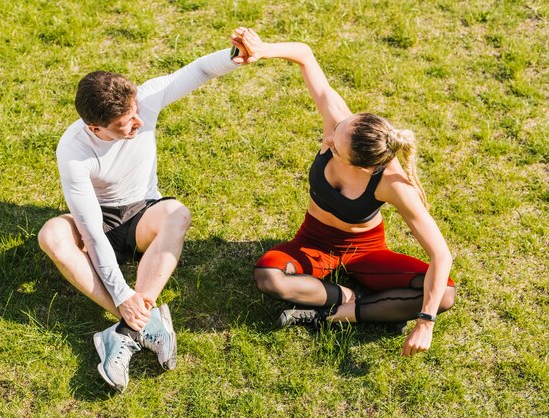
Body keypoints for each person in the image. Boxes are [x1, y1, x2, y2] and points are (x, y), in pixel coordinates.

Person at [231, 28, 456, 356]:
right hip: (312, 242)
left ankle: (339, 313)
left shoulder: (392, 183)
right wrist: (263, 50)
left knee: (444, 295)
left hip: (364, 251)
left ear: (364, 167)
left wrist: (425, 321)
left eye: (336, 143)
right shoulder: (340, 125)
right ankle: (354, 298)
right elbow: (305, 55)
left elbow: (442, 255)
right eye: (337, 129)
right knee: (269, 277)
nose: (329, 137)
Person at [38, 42, 245, 391]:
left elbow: (195, 71)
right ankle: (139, 320)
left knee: (177, 213)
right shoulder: (73, 151)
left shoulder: (144, 102)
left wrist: (233, 55)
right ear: (95, 128)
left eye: (135, 112)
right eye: (125, 123)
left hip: (142, 216)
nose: (138, 121)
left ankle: (128, 329)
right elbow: (90, 233)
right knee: (51, 235)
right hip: (99, 221)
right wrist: (121, 295)